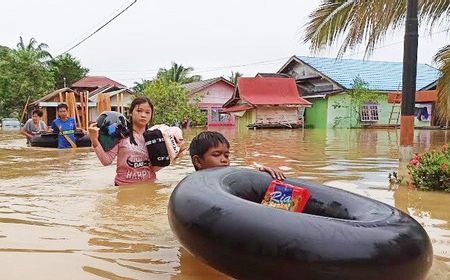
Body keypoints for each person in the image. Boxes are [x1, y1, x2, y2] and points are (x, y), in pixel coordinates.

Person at [88, 96, 166, 186]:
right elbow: (106, 161)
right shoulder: (121, 134)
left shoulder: (156, 137)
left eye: (147, 112)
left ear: (151, 115)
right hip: (124, 186)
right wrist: (94, 140)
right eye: (139, 111)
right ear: (131, 113)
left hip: (149, 185)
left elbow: (158, 165)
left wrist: (175, 153)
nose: (143, 115)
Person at [189, 131, 285, 180]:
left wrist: (261, 174)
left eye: (226, 156)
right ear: (198, 161)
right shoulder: (192, 187)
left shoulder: (231, 180)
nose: (224, 160)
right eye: (216, 155)